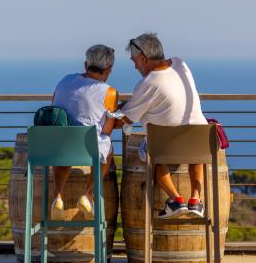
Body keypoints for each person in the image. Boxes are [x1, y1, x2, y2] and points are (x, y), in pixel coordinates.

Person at [119, 32, 207, 219]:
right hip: (200, 141)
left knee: (151, 149)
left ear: (143, 58)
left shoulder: (148, 83)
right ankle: (196, 200)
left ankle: (175, 199)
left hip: (165, 147)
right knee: (195, 149)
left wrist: (115, 112)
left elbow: (126, 119)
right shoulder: (180, 64)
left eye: (134, 61)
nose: (135, 66)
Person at [50, 44, 118, 220]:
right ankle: (88, 196)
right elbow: (107, 130)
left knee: (65, 142)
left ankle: (57, 196)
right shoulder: (109, 92)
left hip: (56, 147)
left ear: (85, 64)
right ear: (109, 69)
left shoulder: (64, 81)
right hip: (87, 150)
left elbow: (53, 109)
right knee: (107, 149)